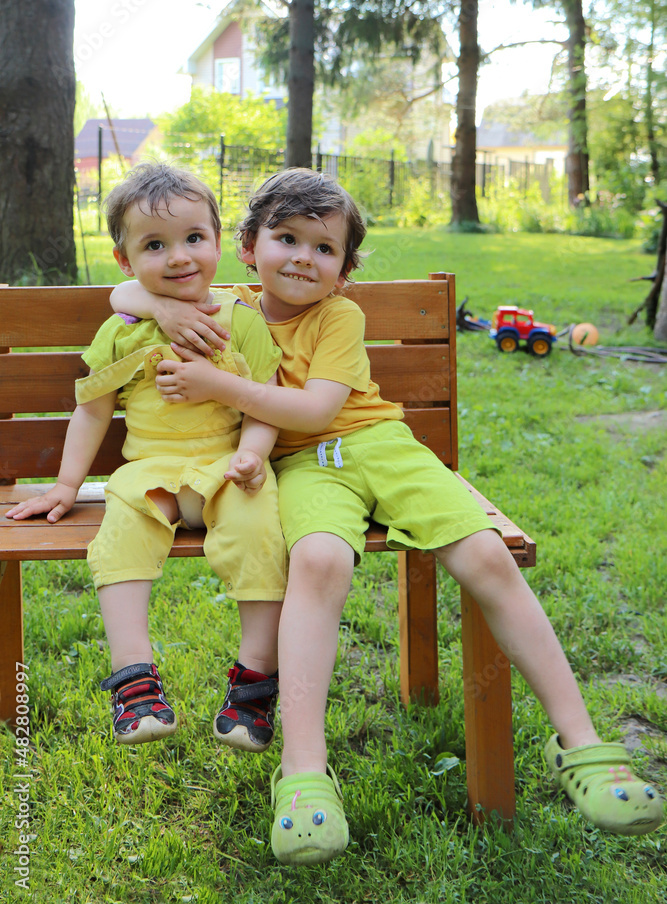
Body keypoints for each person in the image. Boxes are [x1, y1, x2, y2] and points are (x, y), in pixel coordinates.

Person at [110, 168, 663, 863]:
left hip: (381, 446)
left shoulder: (340, 316)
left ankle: (582, 744)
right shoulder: (223, 304)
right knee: (317, 560)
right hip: (301, 468)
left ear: (343, 271)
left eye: (323, 248)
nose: (302, 258)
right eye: (285, 238)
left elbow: (315, 410)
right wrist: (158, 309)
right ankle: (304, 773)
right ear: (248, 246)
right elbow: (126, 289)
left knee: (485, 554)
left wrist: (218, 382)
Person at [6, 163, 287, 752]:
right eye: (155, 245)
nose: (179, 257)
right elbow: (93, 409)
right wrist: (63, 485)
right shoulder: (122, 330)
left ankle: (254, 686)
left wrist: (255, 454)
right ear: (126, 261)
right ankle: (135, 682)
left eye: (193, 239)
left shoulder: (243, 320)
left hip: (225, 466)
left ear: (217, 242)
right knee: (119, 538)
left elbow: (267, 401)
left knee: (260, 530)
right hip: (149, 474)